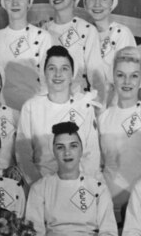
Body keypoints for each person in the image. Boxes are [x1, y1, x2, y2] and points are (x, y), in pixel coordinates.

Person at [16, 46, 100, 185]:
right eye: (52, 68)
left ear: (72, 74)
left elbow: (92, 155)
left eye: (64, 68)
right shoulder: (31, 108)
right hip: (40, 184)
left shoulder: (84, 107)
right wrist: (39, 187)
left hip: (77, 186)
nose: (58, 74)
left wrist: (81, 187)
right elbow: (23, 155)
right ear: (44, 72)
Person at [97, 47, 141, 223]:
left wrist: (137, 198)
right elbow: (97, 165)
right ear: (113, 77)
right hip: (108, 207)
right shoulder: (103, 118)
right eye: (120, 75)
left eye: (134, 75)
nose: (127, 81)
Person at [0, 0, 55, 111]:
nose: (15, 3)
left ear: (29, 2)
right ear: (3, 3)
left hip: (35, 109)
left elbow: (48, 80)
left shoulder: (44, 37)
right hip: (3, 110)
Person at [40, 0, 99, 96]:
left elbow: (96, 77)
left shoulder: (88, 30)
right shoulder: (42, 31)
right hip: (48, 105)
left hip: (77, 105)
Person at [82, 0, 136, 107]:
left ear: (112, 3)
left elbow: (127, 78)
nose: (97, 4)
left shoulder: (121, 34)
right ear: (85, 2)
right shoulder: (82, 32)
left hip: (114, 106)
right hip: (85, 105)